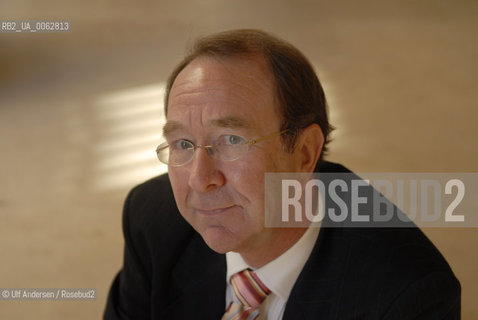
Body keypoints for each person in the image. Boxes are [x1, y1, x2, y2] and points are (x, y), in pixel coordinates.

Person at [104, 29, 460, 319]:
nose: (200, 179)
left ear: (304, 153)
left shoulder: (408, 295)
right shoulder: (151, 217)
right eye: (182, 143)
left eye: (231, 140)